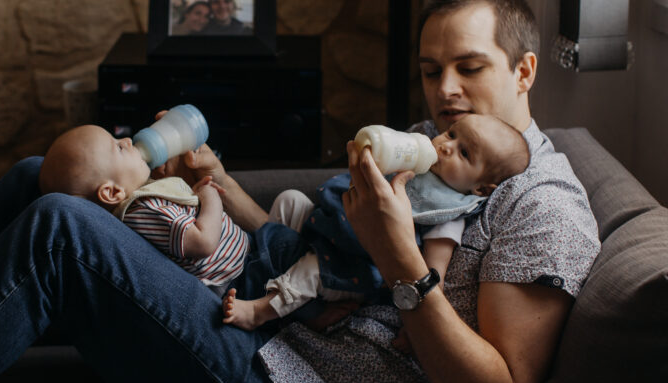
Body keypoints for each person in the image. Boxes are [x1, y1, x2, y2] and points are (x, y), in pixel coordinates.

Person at [0, 0, 600, 383]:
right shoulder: (427, 146)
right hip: (270, 320)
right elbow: (301, 248)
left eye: (469, 68)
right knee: (39, 178)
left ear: (524, 71)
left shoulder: (540, 206)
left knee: (65, 230)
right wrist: (221, 184)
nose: (444, 93)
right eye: (429, 70)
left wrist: (402, 264)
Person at [221, 113, 531, 333]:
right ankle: (265, 270)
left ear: (480, 189)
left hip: (356, 265)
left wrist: (413, 332)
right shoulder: (419, 165)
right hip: (331, 228)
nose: (446, 145)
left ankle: (260, 312)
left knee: (312, 269)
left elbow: (433, 275)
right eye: (451, 133)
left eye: (464, 152)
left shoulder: (446, 214)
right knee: (289, 200)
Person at [38, 124, 308, 298]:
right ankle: (317, 309)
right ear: (112, 193)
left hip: (246, 259)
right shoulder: (143, 210)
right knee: (297, 255)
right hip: (242, 276)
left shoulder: (143, 198)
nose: (129, 140)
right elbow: (201, 241)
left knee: (296, 245)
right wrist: (210, 195)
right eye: (118, 147)